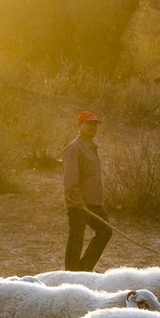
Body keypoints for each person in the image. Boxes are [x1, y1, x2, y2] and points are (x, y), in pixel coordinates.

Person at [62, 110, 112, 271]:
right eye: (89, 124)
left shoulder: (92, 148)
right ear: (80, 125)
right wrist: (78, 203)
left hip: (94, 203)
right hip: (79, 204)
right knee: (76, 239)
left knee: (105, 231)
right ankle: (70, 274)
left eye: (95, 124)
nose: (92, 127)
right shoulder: (74, 148)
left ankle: (83, 269)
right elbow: (70, 180)